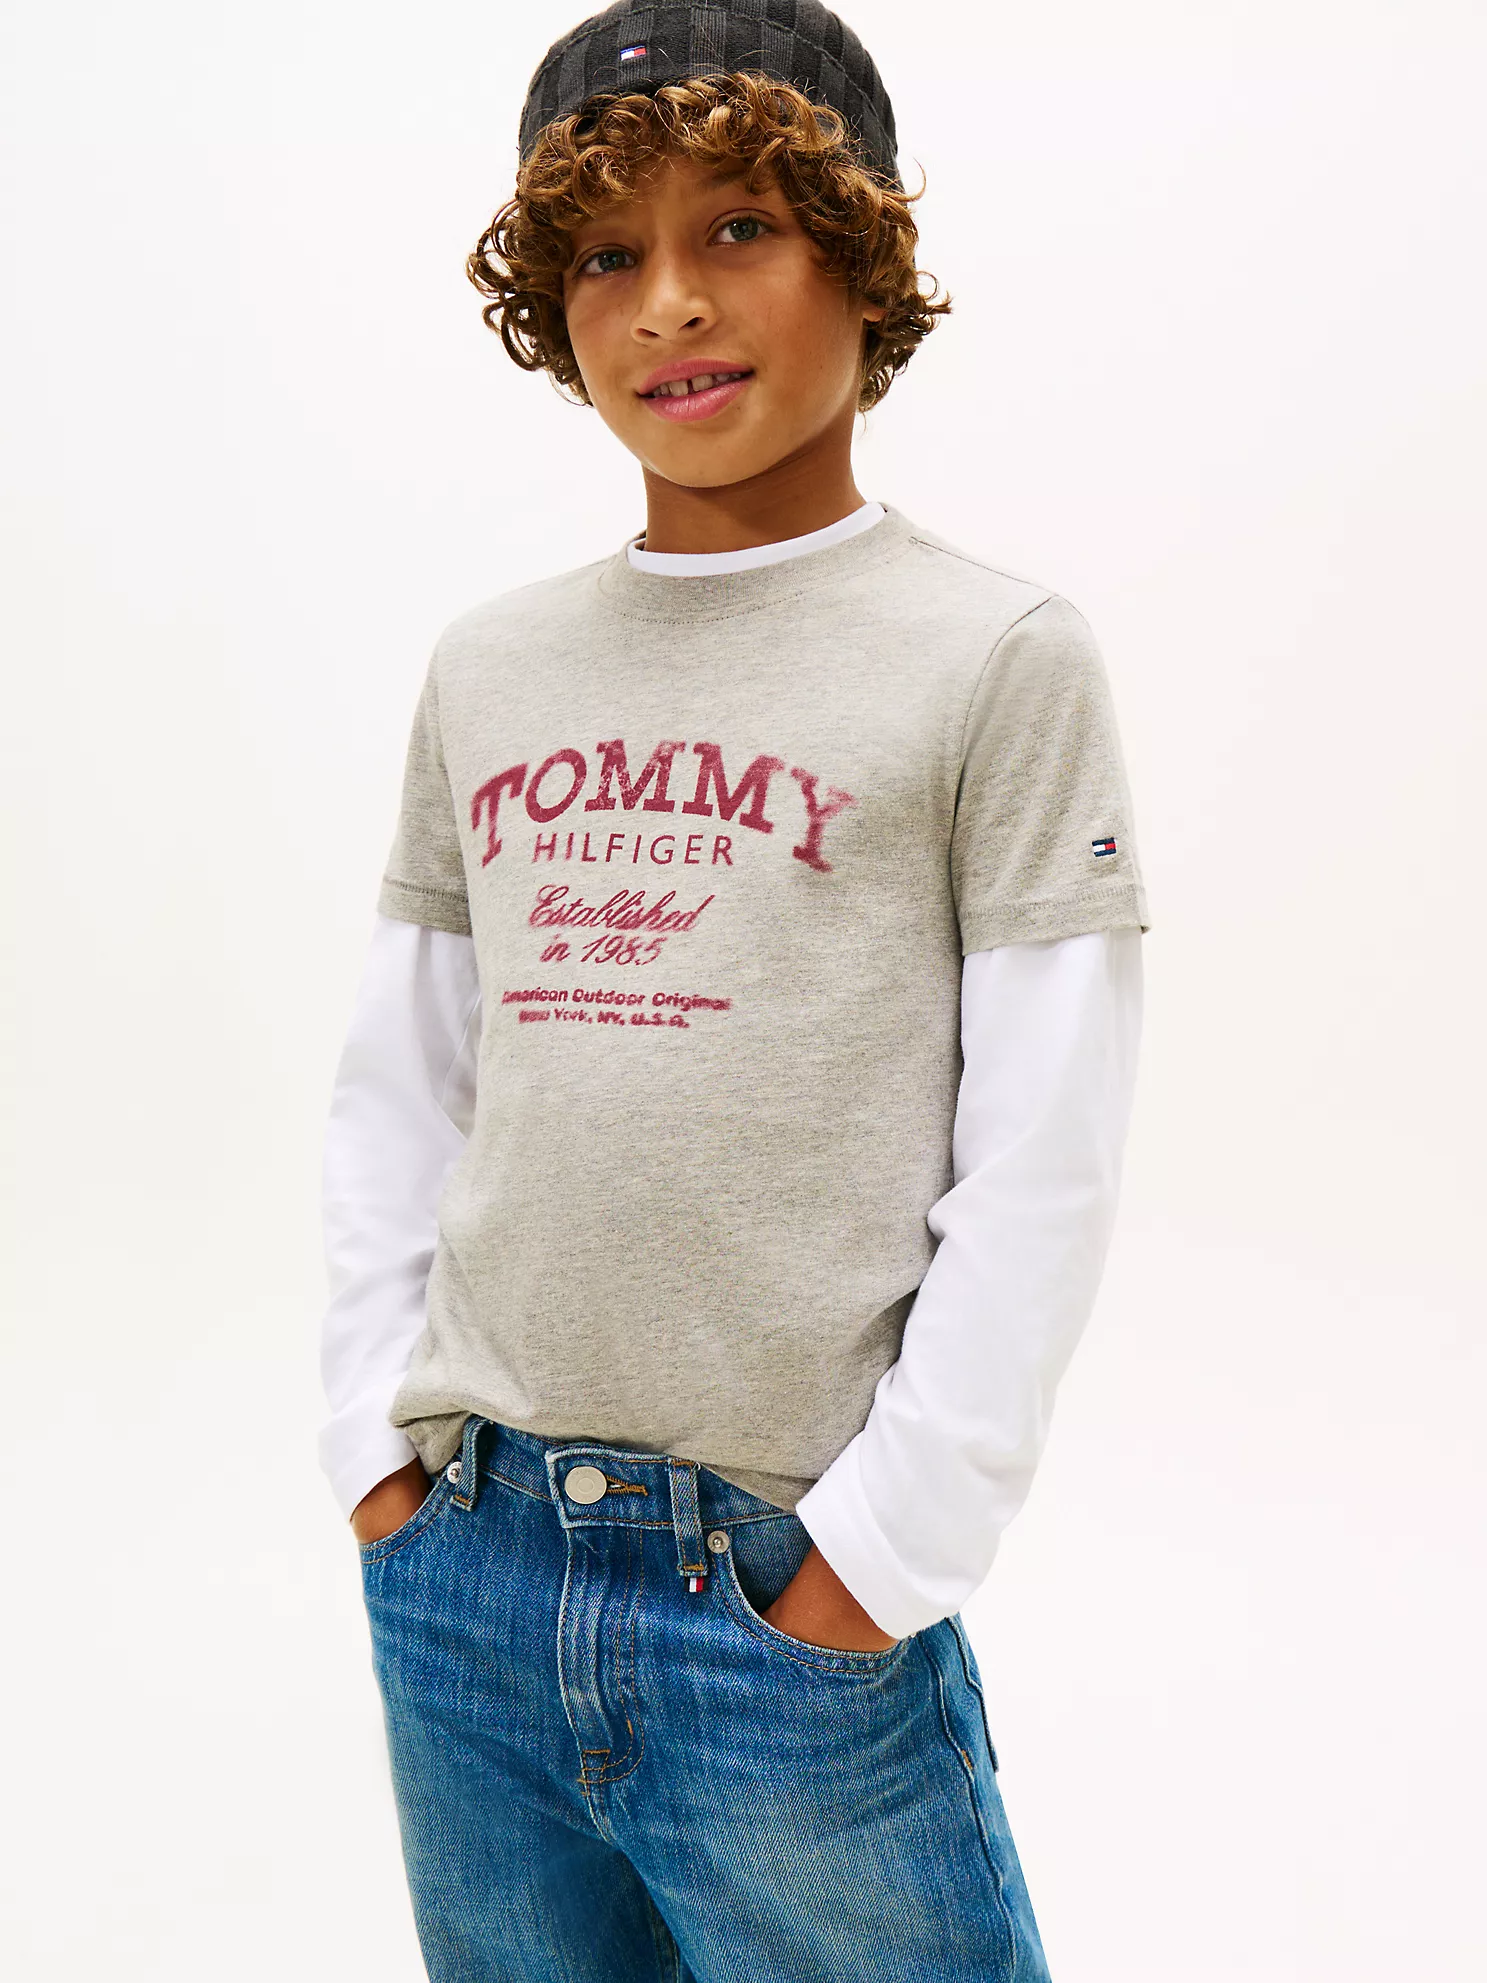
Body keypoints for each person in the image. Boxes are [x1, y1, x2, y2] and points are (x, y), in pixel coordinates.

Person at [317, 4, 1152, 1977]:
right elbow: (403, 1083)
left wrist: (881, 1553)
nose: (669, 303)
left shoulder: (993, 656)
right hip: (467, 1562)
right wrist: (374, 1451)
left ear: (861, 256)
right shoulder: (491, 666)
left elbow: (1044, 1149)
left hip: (782, 1588)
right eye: (607, 252)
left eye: (740, 229)